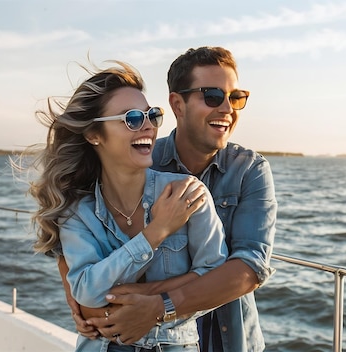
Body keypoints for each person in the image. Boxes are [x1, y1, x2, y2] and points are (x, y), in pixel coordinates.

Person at [77, 46, 278, 352]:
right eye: (212, 96)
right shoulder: (140, 159)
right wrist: (77, 299)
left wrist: (158, 305)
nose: (227, 108)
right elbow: (74, 231)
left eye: (235, 98)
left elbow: (250, 267)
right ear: (177, 104)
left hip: (229, 338)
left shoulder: (250, 170)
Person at [22, 60, 228, 351]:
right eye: (131, 118)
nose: (147, 126)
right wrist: (155, 232)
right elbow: (87, 292)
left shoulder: (188, 194)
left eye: (151, 115)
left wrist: (157, 305)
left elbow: (215, 280)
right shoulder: (77, 211)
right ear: (94, 135)